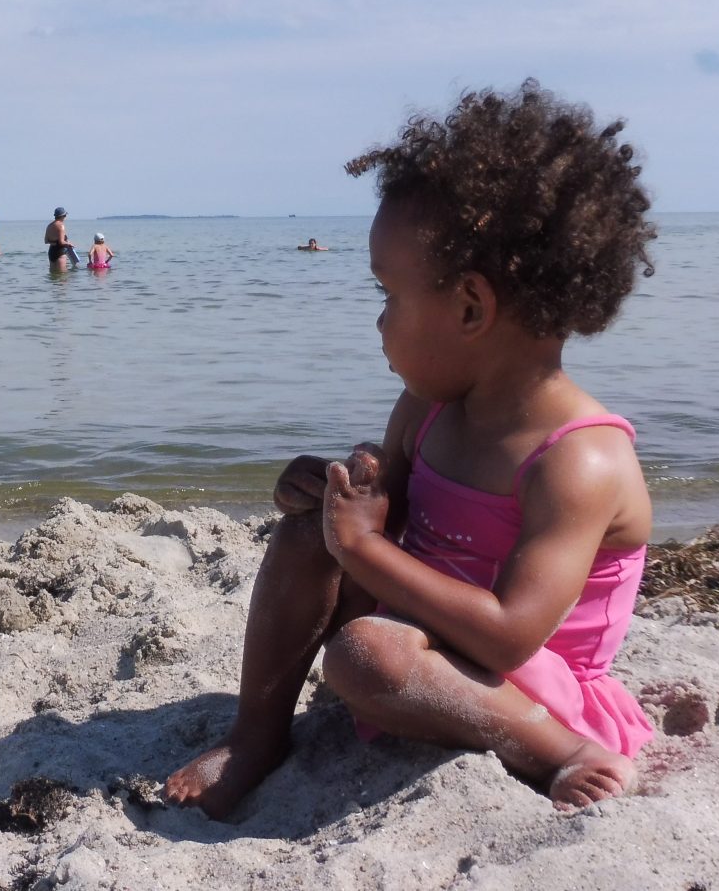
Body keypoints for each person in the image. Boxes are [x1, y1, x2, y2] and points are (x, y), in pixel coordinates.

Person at [164, 80, 659, 819]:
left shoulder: (577, 462)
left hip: (519, 683)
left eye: (389, 295)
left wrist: (362, 547)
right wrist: (329, 499)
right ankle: (256, 734)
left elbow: (509, 635)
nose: (379, 323)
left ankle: (560, 754)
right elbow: (371, 521)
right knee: (309, 537)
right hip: (420, 631)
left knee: (365, 654)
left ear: (469, 307)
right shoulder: (425, 410)